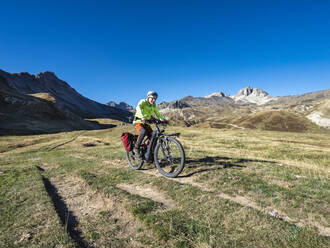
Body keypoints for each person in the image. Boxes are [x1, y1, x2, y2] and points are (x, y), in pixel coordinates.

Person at [133, 91, 167, 158]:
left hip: (146, 123)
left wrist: (163, 119)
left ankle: (149, 152)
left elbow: (157, 113)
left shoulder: (154, 105)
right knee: (143, 132)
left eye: (155, 99)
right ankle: (136, 148)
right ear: (148, 97)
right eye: (152, 98)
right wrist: (142, 116)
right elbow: (138, 108)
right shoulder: (143, 101)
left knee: (153, 137)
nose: (153, 100)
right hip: (138, 122)